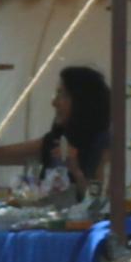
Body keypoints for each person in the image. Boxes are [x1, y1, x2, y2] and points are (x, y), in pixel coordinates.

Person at [38, 64, 114, 192]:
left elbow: (99, 200)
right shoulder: (57, 139)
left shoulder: (103, 144)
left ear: (82, 102)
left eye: (62, 95)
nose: (54, 103)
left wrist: (75, 169)